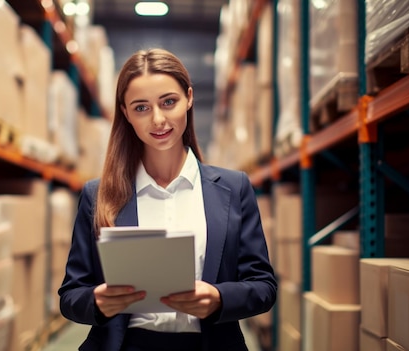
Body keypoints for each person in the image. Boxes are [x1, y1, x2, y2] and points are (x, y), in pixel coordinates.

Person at [58, 48, 277, 351]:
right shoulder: (98, 195)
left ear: (188, 98)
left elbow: (263, 287)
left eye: (168, 102)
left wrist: (218, 298)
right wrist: (97, 301)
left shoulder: (234, 188)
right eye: (141, 108)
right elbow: (70, 296)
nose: (158, 120)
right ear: (125, 112)